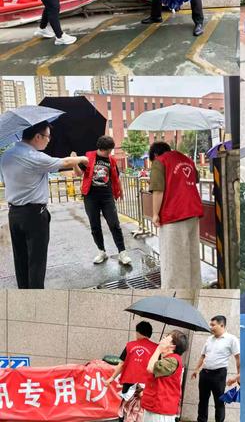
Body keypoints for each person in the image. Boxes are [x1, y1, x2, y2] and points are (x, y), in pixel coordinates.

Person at [0, 121, 88, 289]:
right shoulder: (34, 157)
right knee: (36, 262)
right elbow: (64, 163)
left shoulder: (6, 155)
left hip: (14, 215)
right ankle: (37, 303)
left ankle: (23, 296)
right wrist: (83, 158)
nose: (49, 140)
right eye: (47, 136)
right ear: (37, 137)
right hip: (34, 216)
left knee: (21, 260)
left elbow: (5, 181)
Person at [148, 142, 204, 289]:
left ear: (154, 155)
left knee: (174, 260)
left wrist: (155, 215)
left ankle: (175, 296)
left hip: (173, 215)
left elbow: (158, 190)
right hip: (193, 212)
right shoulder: (187, 159)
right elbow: (195, 179)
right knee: (192, 257)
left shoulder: (159, 162)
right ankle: (195, 289)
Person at [72, 136, 132, 265]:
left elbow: (116, 177)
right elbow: (78, 174)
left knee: (114, 224)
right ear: (103, 149)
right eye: (108, 151)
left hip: (107, 196)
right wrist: (74, 163)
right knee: (95, 225)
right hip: (90, 197)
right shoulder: (88, 157)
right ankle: (101, 251)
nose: (109, 153)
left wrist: (120, 191)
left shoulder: (111, 160)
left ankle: (122, 252)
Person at [105, 321, 158, 422]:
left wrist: (111, 378)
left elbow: (121, 364)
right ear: (149, 334)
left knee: (126, 411)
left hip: (129, 383)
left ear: (138, 332)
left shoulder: (130, 345)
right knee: (142, 414)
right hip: (146, 387)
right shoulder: (156, 349)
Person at [191, 315, 240, 422]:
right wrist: (196, 369)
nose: (210, 327)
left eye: (213, 325)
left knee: (219, 402)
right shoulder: (209, 339)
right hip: (205, 373)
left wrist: (238, 375)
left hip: (219, 374)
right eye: (210, 324)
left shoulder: (232, 339)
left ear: (221, 325)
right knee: (202, 400)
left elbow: (238, 358)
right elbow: (203, 356)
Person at [141, 330, 189, 422]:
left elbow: (150, 368)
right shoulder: (169, 359)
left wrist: (159, 349)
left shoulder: (173, 360)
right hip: (156, 406)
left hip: (161, 408)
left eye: (167, 337)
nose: (163, 338)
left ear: (172, 346)